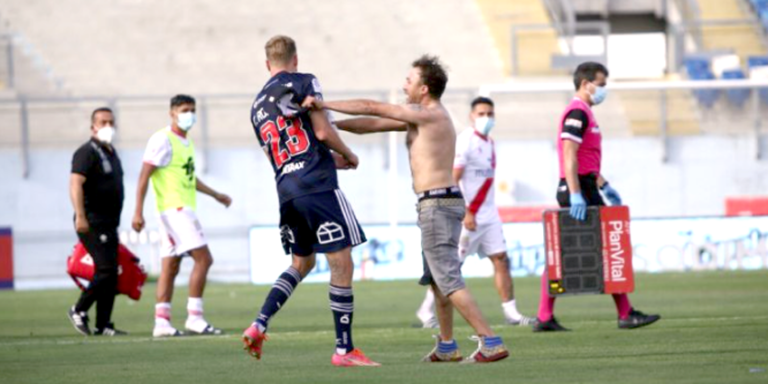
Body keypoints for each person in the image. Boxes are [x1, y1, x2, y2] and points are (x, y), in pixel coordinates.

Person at [308, 55, 509, 363]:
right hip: (438, 204)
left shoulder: (427, 113)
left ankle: (491, 341)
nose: (405, 84)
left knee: (448, 279)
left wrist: (323, 104)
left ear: (424, 88)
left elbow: (373, 107)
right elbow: (370, 125)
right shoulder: (421, 116)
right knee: (437, 279)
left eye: (409, 80)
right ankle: (447, 346)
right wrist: (328, 127)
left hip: (438, 205)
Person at [241, 35, 379, 367]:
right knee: (341, 263)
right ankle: (344, 350)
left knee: (301, 263)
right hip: (317, 186)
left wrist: (329, 158)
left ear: (266, 65)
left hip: (287, 190)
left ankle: (259, 323)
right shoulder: (304, 82)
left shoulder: (256, 106)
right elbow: (319, 132)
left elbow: (281, 154)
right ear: (296, 59)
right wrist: (347, 153)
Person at [533, 62, 661, 332]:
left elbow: (585, 160)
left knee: (569, 251)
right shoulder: (577, 113)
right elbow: (568, 154)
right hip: (578, 188)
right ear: (585, 83)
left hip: (586, 185)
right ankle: (625, 314)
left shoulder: (584, 113)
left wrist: (604, 185)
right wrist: (577, 193)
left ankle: (545, 316)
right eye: (601, 84)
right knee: (603, 248)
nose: (604, 90)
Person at [415, 97, 534, 329]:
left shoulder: (490, 142)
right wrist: (465, 212)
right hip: (468, 216)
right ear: (472, 116)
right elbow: (454, 178)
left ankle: (512, 313)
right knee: (450, 267)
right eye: (481, 114)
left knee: (501, 259)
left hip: (489, 216)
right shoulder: (465, 142)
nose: (486, 118)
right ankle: (425, 311)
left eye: (490, 113)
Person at [132, 94, 232, 338]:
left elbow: (189, 178)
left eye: (192, 110)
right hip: (174, 210)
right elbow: (145, 174)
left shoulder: (185, 142)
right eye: (185, 109)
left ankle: (161, 322)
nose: (190, 114)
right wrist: (138, 211)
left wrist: (215, 194)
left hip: (179, 209)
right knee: (204, 259)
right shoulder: (162, 139)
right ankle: (195, 318)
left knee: (171, 265)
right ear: (172, 113)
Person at [68, 107, 126, 336]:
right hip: (92, 220)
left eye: (111, 122)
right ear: (93, 126)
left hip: (109, 222)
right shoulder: (86, 152)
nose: (107, 126)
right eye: (102, 122)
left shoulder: (110, 151)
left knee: (112, 273)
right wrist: (80, 215)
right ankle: (79, 309)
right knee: (105, 269)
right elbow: (75, 183)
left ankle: (103, 324)